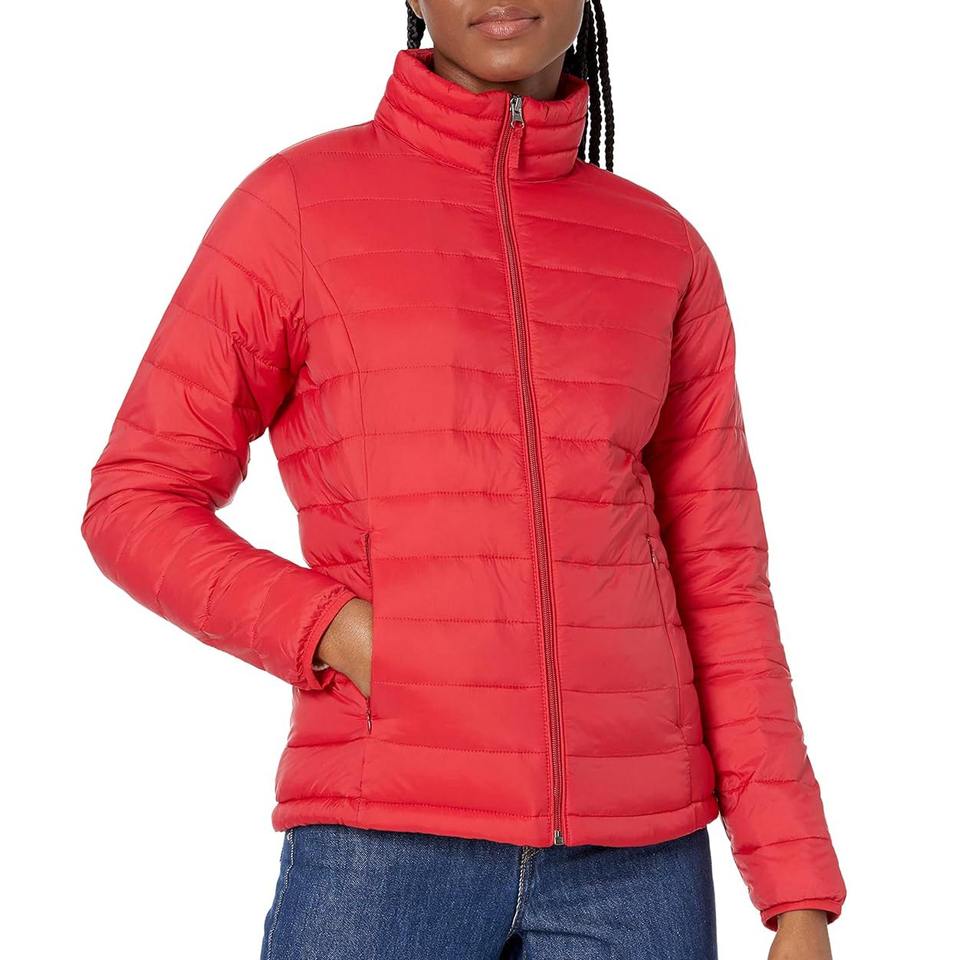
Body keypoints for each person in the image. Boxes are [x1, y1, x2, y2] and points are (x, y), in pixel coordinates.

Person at [81, 2, 846, 957]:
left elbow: (720, 576)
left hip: (637, 864)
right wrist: (336, 631)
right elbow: (136, 498)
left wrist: (796, 891)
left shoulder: (662, 248)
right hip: (383, 844)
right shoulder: (298, 209)